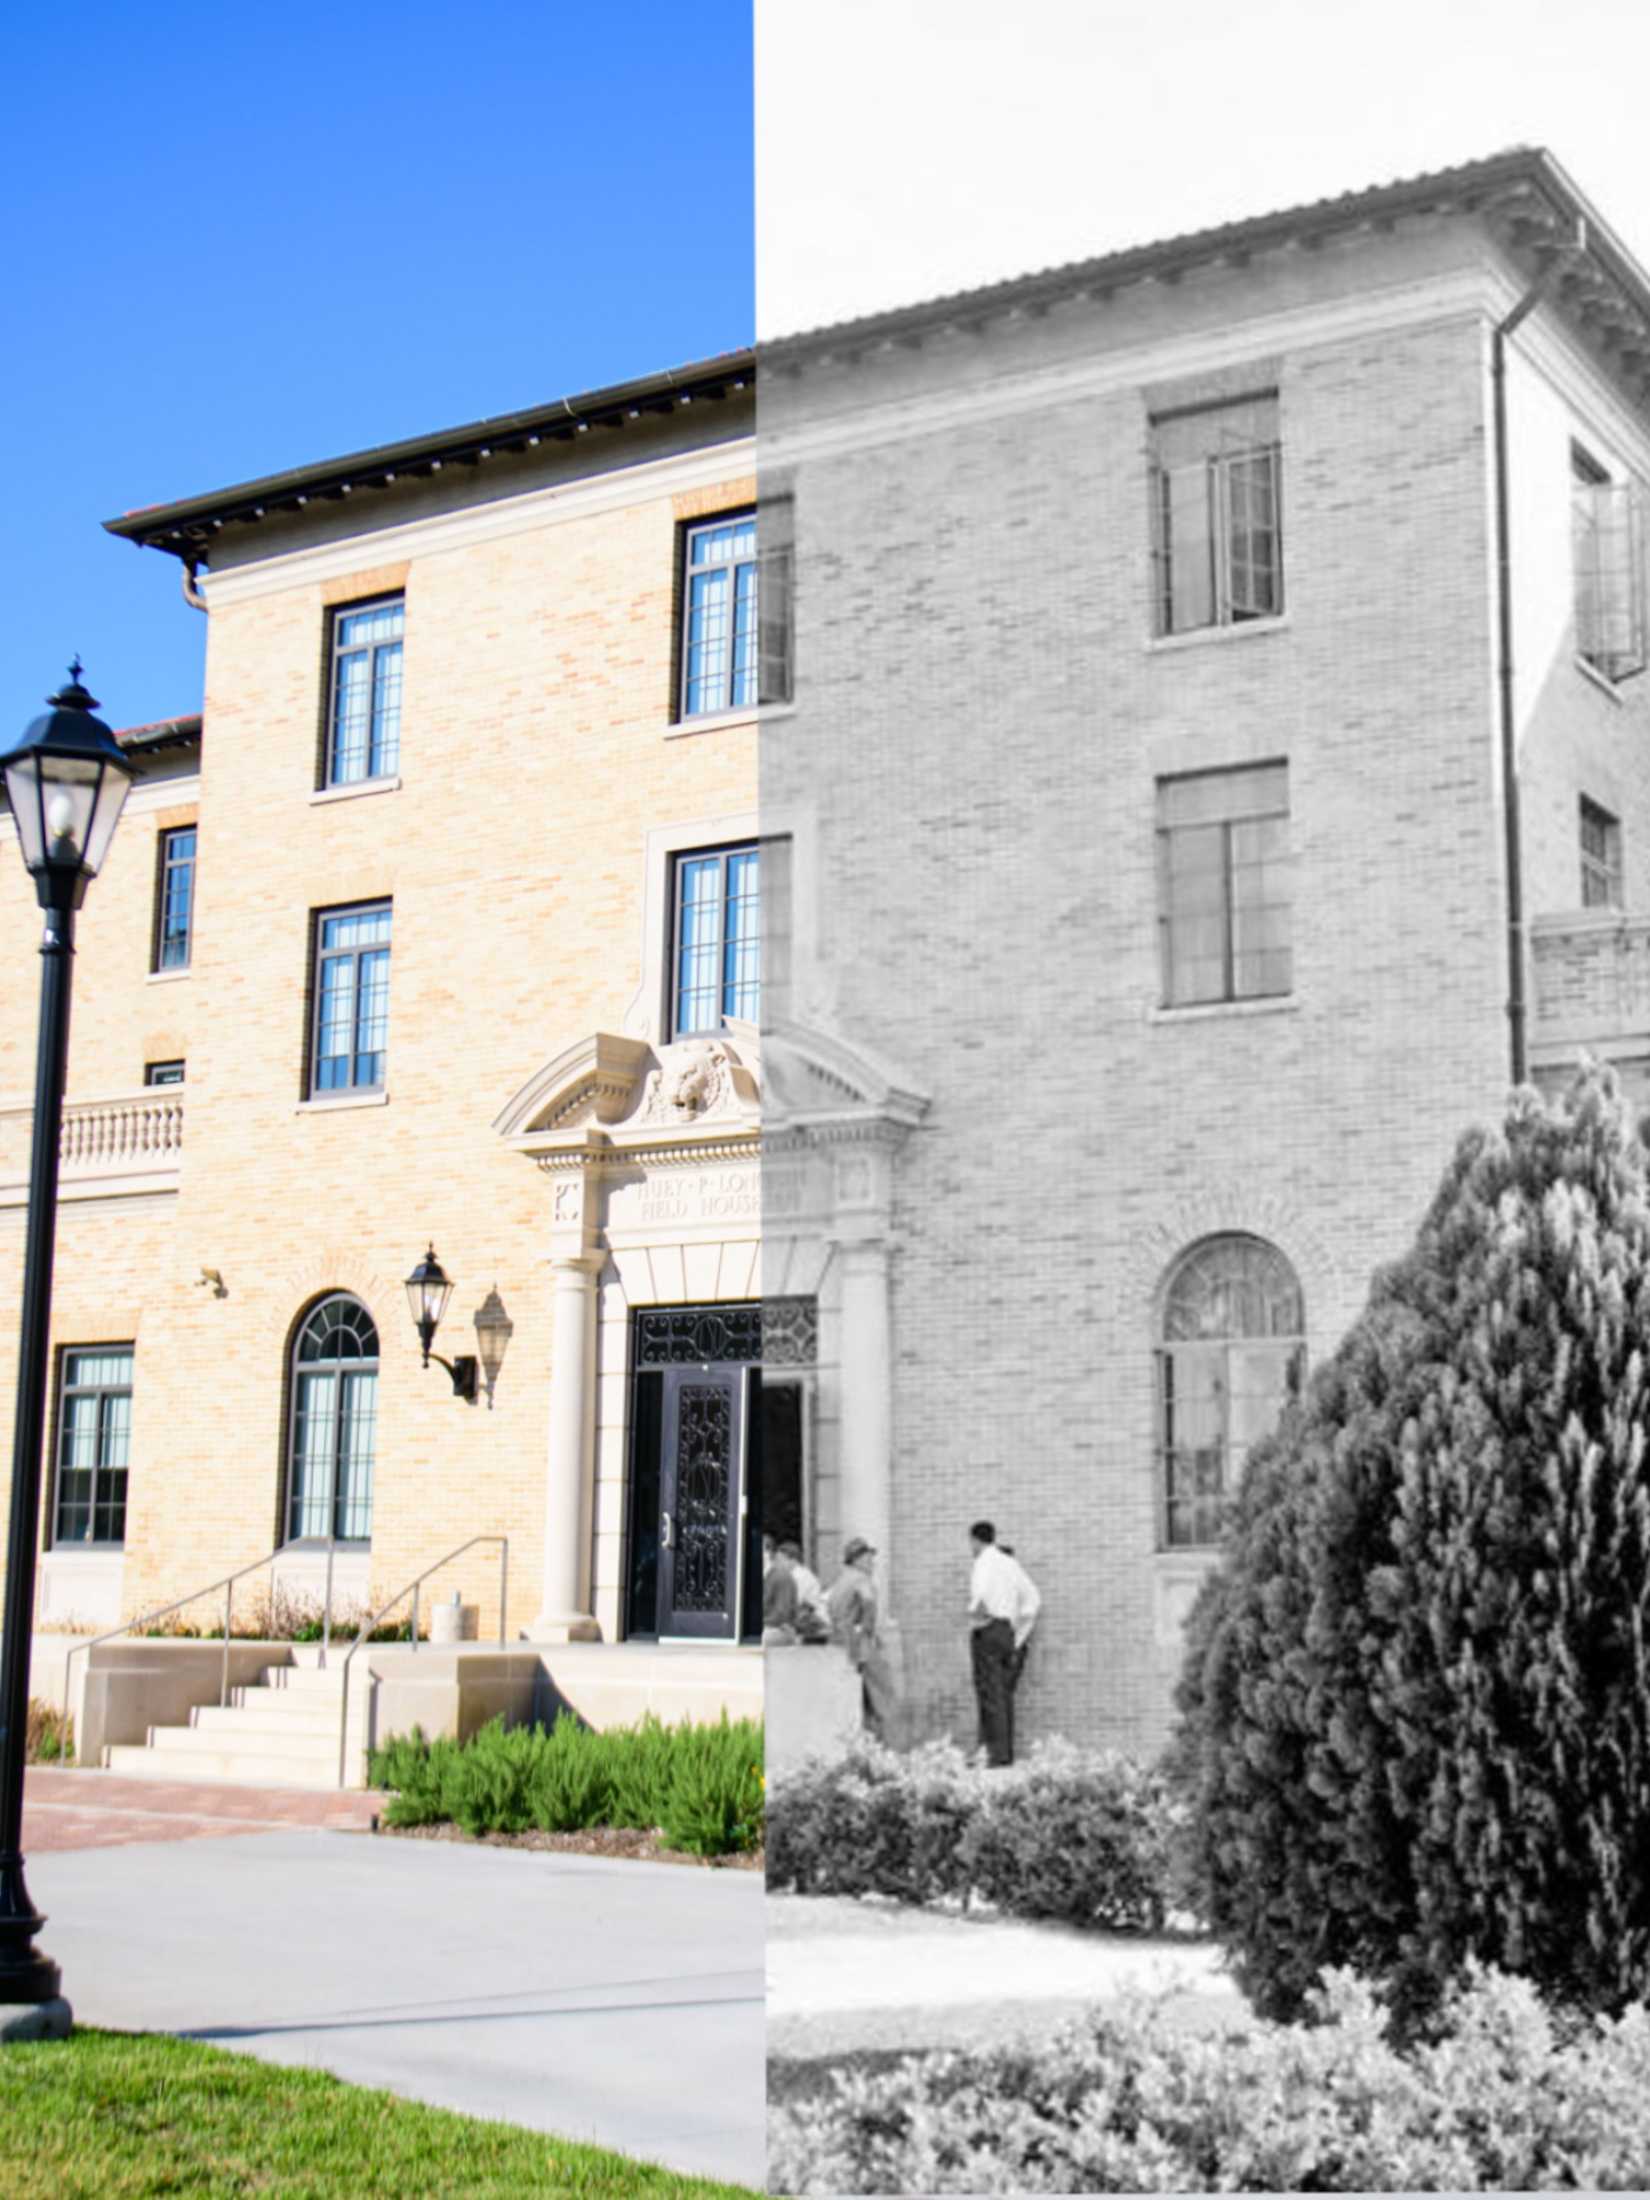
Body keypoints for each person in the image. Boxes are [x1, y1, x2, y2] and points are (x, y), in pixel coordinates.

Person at [825, 1535, 898, 1737]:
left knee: (858, 1700)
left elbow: (829, 1609)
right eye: (868, 1557)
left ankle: (863, 1744)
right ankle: (881, 1746)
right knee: (882, 1695)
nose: (872, 1562)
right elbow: (868, 1602)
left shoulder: (840, 1581)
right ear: (857, 1559)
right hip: (862, 1647)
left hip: (842, 1646)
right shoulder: (861, 1579)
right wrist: (867, 1629)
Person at [967, 1519, 1023, 1766]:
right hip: (1007, 1629)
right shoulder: (1009, 1562)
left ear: (975, 1540)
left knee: (989, 1693)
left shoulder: (983, 1561)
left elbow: (980, 1594)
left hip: (988, 1628)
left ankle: (992, 1753)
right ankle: (1005, 1752)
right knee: (1003, 1693)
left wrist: (974, 1616)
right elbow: (1029, 1594)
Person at [997, 1542, 1042, 1691]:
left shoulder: (1016, 1581)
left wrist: (1013, 1636)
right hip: (1002, 1645)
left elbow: (1031, 1607)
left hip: (1012, 1646)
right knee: (999, 1695)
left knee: (1002, 1692)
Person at [779, 1538, 830, 1642]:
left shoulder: (801, 1576)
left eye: (781, 1560)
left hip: (814, 1621)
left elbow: (792, 1603)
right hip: (803, 1619)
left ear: (792, 1560)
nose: (778, 1564)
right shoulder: (793, 1575)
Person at [762, 1533, 800, 1646]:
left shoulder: (782, 1577)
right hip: (768, 1628)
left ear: (767, 1553)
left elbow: (782, 1614)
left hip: (779, 1630)